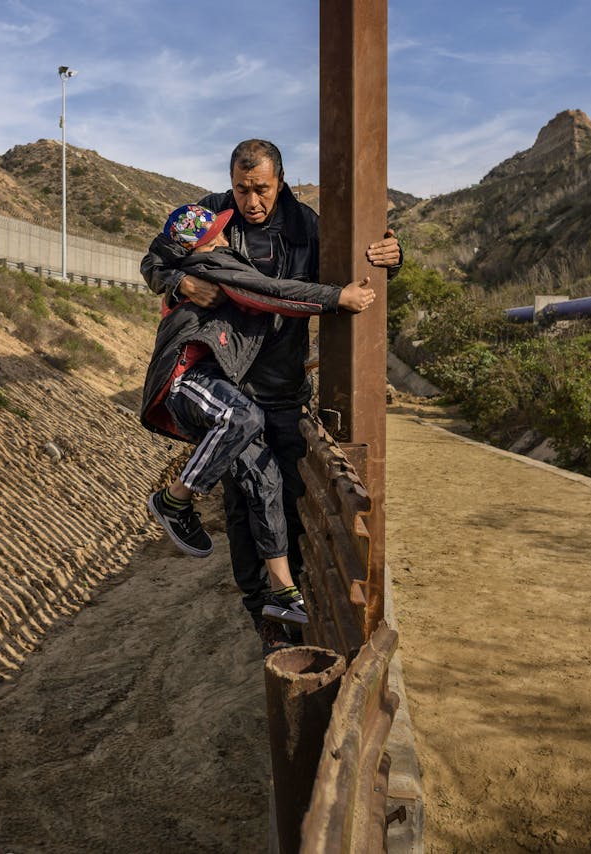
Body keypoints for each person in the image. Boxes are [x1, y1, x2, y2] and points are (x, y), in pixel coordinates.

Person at [142, 140, 402, 654]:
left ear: (280, 180)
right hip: (229, 377)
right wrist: (180, 284)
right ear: (230, 183)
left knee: (286, 493)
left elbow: (352, 264)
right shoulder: (209, 221)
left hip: (282, 387)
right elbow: (155, 262)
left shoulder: (307, 225)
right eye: (242, 189)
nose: (251, 200)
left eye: (261, 188)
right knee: (242, 503)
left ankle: (295, 598)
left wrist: (391, 256)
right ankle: (268, 619)